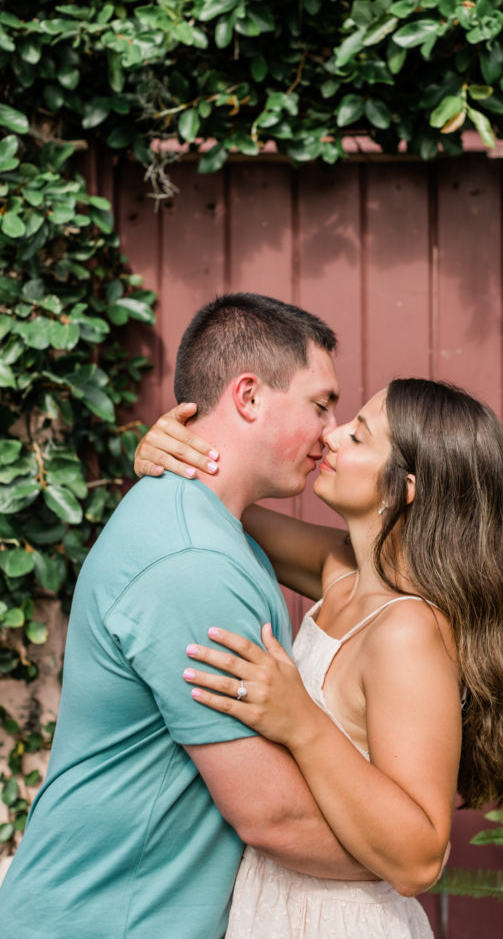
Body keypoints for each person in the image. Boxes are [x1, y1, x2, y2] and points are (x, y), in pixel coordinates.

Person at [0, 293, 379, 939]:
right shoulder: (190, 557)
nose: (330, 431)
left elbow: (359, 572)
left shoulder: (211, 526)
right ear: (249, 396)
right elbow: (271, 817)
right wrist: (406, 858)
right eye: (321, 404)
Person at [134, 376, 503, 939]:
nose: (332, 434)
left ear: (406, 487)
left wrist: (301, 720)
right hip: (276, 907)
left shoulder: (406, 631)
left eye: (359, 434)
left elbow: (421, 858)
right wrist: (166, 451)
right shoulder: (342, 572)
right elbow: (221, 501)